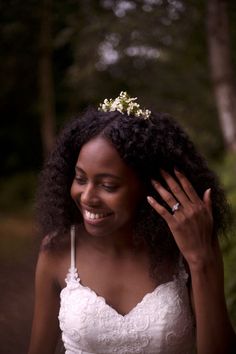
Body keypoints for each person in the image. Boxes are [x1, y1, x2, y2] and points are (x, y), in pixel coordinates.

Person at [28, 92, 236, 354]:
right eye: (80, 179)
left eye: (108, 185)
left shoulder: (192, 248)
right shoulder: (58, 249)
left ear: (148, 186)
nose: (88, 197)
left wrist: (200, 261)